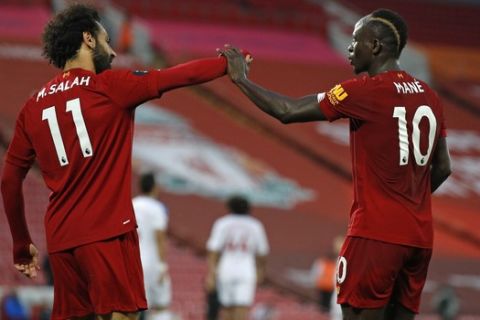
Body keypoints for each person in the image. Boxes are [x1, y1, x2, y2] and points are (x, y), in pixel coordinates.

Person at [0, 4, 244, 320]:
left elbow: (9, 181)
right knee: (123, 315)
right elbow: (174, 76)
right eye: (106, 40)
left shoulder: (32, 107)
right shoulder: (109, 87)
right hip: (106, 232)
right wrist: (226, 64)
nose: (113, 52)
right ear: (88, 39)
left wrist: (21, 244)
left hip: (61, 240)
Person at [220, 8, 451, 320]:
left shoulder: (365, 92)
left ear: (376, 47)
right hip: (419, 238)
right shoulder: (429, 96)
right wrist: (410, 200)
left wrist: (241, 80)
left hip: (375, 235)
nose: (349, 48)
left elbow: (288, 110)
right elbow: (443, 167)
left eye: (356, 41)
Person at [205, 195, 270, 320]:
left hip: (226, 268)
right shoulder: (255, 225)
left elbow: (213, 250)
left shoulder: (223, 223)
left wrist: (211, 273)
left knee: (226, 307)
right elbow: (262, 252)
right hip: (246, 269)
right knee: (242, 306)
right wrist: (261, 270)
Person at [132, 172, 172, 320]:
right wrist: (162, 265)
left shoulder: (132, 204)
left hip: (134, 260)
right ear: (154, 187)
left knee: (136, 306)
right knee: (161, 305)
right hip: (152, 262)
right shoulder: (157, 208)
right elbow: (160, 237)